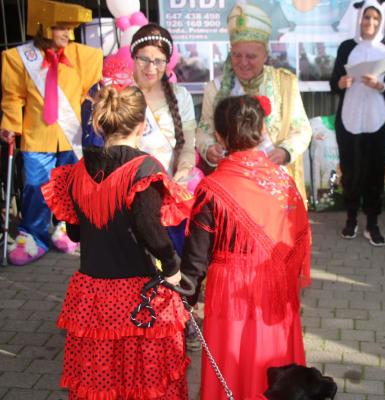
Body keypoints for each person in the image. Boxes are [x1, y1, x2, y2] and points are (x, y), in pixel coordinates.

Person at [41, 84, 193, 399]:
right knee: (146, 379)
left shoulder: (76, 172)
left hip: (93, 294)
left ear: (98, 124)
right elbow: (149, 228)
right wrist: (172, 269)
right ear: (142, 124)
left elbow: (75, 233)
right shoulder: (145, 169)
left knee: (101, 379)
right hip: (139, 295)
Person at [181, 95, 311, 400]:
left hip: (230, 297)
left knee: (233, 367)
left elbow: (196, 260)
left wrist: (184, 298)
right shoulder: (285, 183)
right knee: (274, 368)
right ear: (263, 129)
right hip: (277, 298)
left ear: (219, 135)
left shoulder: (213, 187)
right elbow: (297, 243)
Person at [0, 0, 102, 265]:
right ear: (42, 27)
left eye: (69, 27)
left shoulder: (85, 56)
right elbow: (13, 97)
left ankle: (67, 230)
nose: (66, 34)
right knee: (35, 187)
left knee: (71, 187)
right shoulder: (17, 59)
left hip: (73, 136)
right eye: (59, 27)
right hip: (38, 135)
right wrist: (10, 123)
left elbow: (90, 95)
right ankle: (33, 235)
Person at [196, 3, 312, 201]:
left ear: (265, 55)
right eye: (237, 55)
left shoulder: (284, 83)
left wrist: (284, 152)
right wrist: (208, 149)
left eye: (251, 56)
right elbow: (204, 131)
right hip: (234, 187)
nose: (243, 62)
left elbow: (302, 129)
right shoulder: (215, 89)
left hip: (276, 186)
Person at [329, 0, 385, 246]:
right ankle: (351, 219)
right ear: (358, 19)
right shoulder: (346, 46)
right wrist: (341, 83)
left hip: (376, 119)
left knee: (374, 171)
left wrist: (380, 85)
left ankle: (372, 223)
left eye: (375, 18)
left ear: (380, 21)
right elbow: (333, 82)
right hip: (349, 118)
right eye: (366, 17)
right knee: (350, 171)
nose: (370, 23)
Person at [130, 23, 197, 183]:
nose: (151, 68)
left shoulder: (181, 96)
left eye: (159, 61)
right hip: (131, 187)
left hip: (169, 185)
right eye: (144, 59)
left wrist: (184, 167)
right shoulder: (122, 96)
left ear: (167, 62)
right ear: (133, 57)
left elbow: (188, 147)